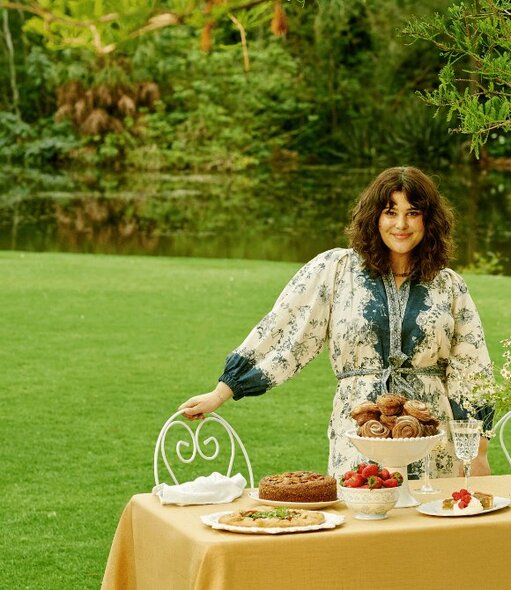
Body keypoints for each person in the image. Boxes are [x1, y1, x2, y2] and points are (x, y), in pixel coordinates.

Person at [178, 166, 494, 479]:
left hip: (431, 438)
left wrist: (478, 453)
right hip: (358, 433)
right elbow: (286, 332)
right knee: (363, 519)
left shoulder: (448, 286)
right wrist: (223, 391)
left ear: (429, 220)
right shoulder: (337, 270)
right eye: (390, 211)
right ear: (374, 216)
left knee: (428, 526)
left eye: (413, 213)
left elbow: (471, 369)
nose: (401, 224)